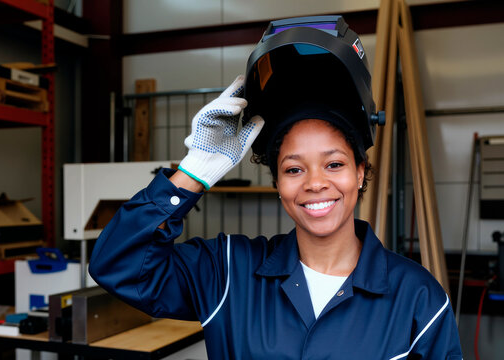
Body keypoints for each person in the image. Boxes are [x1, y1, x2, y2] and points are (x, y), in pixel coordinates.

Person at [89, 16, 463, 359]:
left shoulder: (418, 299)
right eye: (294, 168)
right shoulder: (228, 272)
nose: (316, 183)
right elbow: (118, 265)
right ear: (278, 183)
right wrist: (193, 171)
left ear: (361, 172)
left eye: (334, 164)